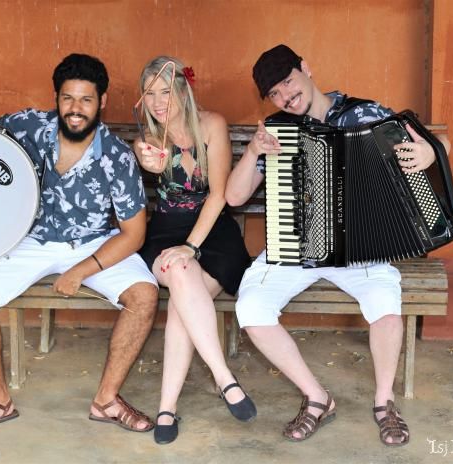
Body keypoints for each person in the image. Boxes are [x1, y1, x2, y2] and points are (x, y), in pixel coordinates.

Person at [0, 53, 163, 439]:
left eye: (86, 100)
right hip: (30, 240)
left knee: (144, 296)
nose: (75, 109)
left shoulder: (118, 157)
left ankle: (106, 400)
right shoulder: (27, 126)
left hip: (93, 242)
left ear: (102, 102)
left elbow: (133, 234)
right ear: (56, 98)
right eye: (67, 98)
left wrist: (82, 269)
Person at [235, 44, 438, 446]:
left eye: (288, 83)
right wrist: (254, 152)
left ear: (306, 69)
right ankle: (317, 398)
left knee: (386, 310)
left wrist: (430, 152)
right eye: (274, 94)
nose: (285, 98)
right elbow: (234, 197)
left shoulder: (366, 113)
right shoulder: (276, 131)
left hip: (360, 245)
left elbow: (432, 150)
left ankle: (384, 402)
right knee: (250, 308)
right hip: (296, 244)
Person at [127, 56, 258, 445]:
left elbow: (219, 195)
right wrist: (146, 160)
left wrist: (190, 246)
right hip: (164, 231)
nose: (157, 101)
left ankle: (167, 406)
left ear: (184, 88)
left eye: (165, 91)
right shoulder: (149, 137)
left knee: (185, 302)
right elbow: (147, 158)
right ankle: (224, 377)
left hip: (213, 231)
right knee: (182, 278)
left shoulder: (212, 124)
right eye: (149, 94)